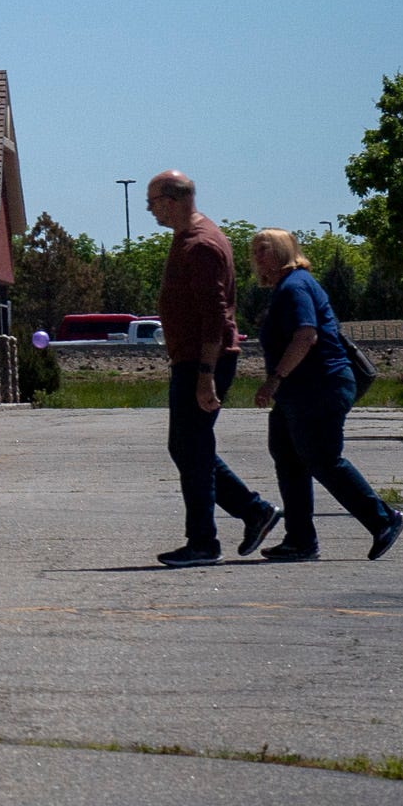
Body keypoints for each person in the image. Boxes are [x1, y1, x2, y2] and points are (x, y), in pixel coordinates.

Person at [251, 228, 403, 561]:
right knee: (288, 456)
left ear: (282, 251)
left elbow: (306, 335)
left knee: (322, 458)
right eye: (254, 250)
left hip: (319, 386)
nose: (256, 256)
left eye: (263, 249)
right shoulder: (286, 288)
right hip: (298, 392)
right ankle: (300, 540)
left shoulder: (295, 286)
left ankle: (383, 519)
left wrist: (274, 379)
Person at [149, 170, 277, 566]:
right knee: (188, 447)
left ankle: (204, 542)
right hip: (193, 360)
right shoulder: (189, 238)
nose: (151, 211)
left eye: (153, 203)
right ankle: (254, 511)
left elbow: (215, 317)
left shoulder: (201, 244)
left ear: (173, 201)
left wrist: (205, 376)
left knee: (193, 449)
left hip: (203, 362)